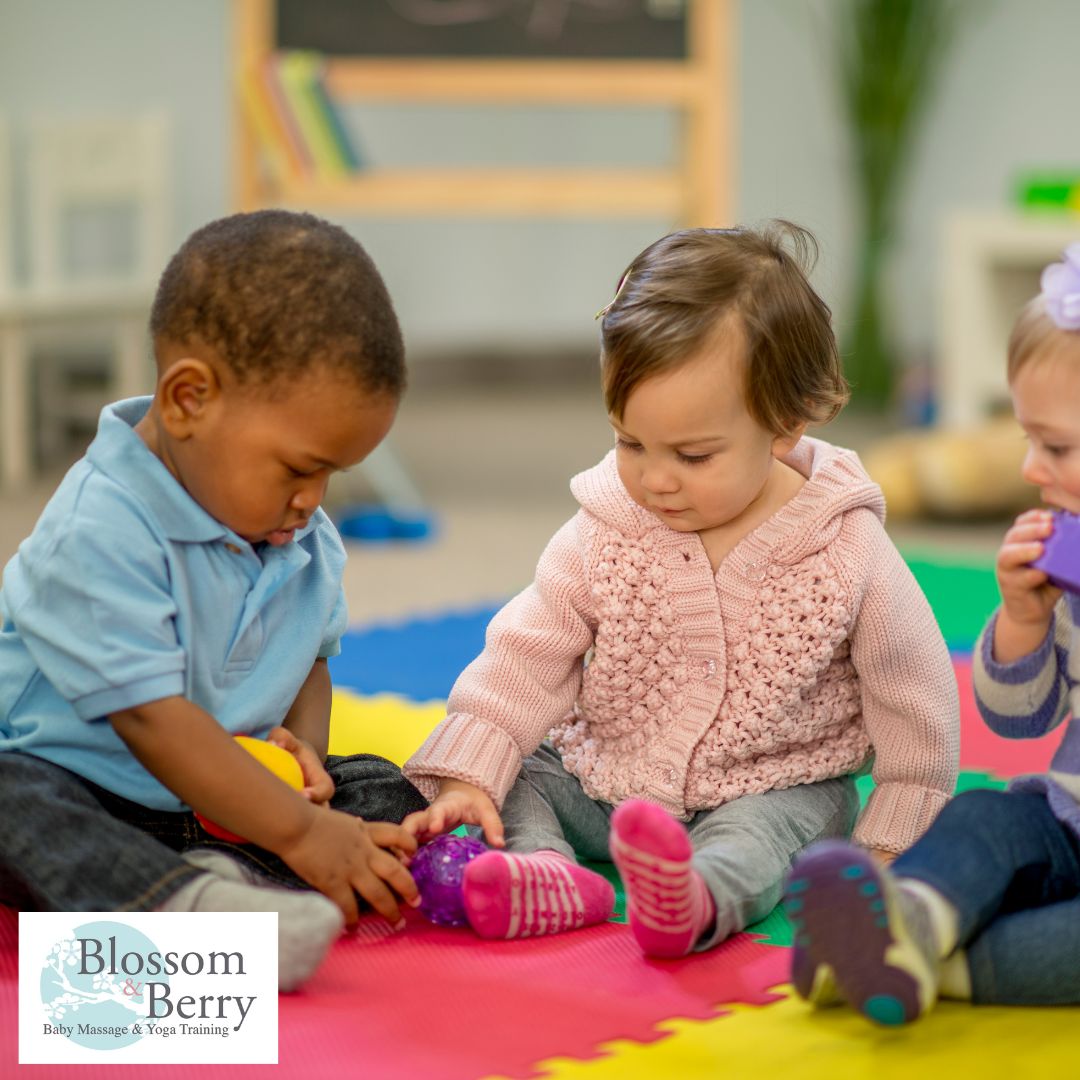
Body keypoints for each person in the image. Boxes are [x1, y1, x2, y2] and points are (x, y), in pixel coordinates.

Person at [401, 222, 959, 957]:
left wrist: (896, 832)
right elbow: (526, 654)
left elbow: (912, 693)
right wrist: (469, 776)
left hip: (771, 786)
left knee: (767, 839)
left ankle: (696, 899)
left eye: (693, 456)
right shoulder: (605, 528)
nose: (655, 479)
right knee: (519, 774)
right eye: (630, 443)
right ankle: (544, 872)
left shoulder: (845, 548)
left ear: (785, 424)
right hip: (606, 777)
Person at [0, 210, 427, 991]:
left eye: (331, 475)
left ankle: (427, 874)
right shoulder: (98, 529)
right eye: (298, 468)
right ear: (189, 399)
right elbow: (149, 720)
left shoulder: (299, 534)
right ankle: (183, 912)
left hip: (223, 800)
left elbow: (310, 662)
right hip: (81, 787)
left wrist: (304, 766)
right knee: (11, 805)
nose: (314, 499)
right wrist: (300, 831)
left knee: (390, 787)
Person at [784, 244, 1080, 1025]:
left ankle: (913, 965)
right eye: (1027, 439)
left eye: (1056, 446)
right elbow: (1019, 721)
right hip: (1066, 819)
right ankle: (910, 914)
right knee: (980, 818)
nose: (1031, 467)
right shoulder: (1066, 560)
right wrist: (1024, 620)